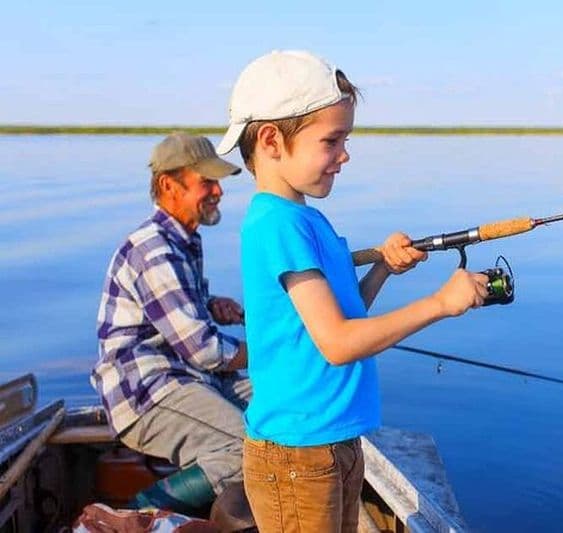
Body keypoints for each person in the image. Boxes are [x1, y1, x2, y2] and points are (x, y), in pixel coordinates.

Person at [216, 50, 489, 532]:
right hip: (297, 454)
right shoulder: (276, 225)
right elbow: (340, 343)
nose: (345, 155)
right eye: (332, 140)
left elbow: (342, 317)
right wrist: (439, 304)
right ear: (271, 140)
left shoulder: (305, 218)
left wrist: (382, 268)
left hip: (332, 441)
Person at [91, 132, 251, 517]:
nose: (218, 191)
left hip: (186, 374)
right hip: (145, 392)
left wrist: (211, 305)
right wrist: (270, 350)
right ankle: (136, 514)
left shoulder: (183, 241)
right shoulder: (155, 249)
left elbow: (174, 314)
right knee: (252, 448)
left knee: (285, 409)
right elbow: (205, 349)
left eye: (218, 182)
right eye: (206, 182)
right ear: (168, 184)